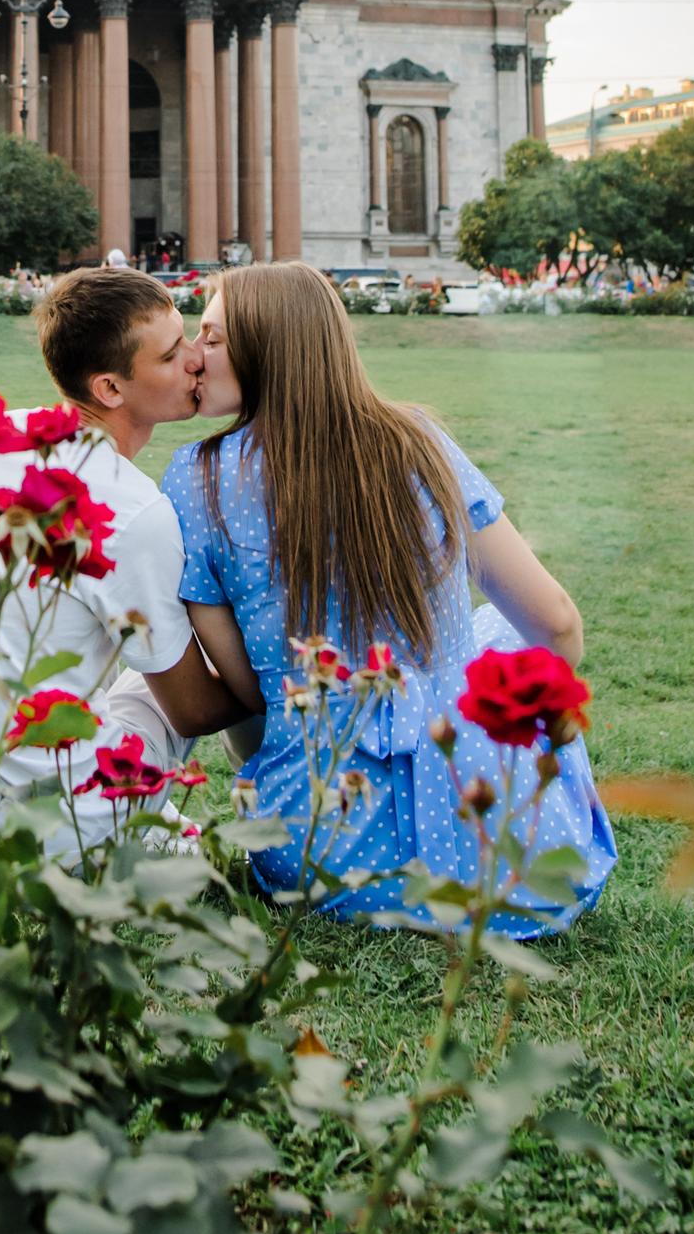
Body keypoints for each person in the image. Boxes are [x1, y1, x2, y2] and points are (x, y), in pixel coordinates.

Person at [162, 262, 614, 935]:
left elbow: (250, 698)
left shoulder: (196, 480)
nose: (195, 354)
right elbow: (557, 623)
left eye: (212, 335)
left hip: (313, 846)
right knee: (510, 642)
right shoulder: (417, 442)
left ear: (267, 348)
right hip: (486, 844)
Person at [0, 266, 249, 841]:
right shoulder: (134, 509)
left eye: (188, 337)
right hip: (50, 826)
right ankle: (226, 825)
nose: (195, 359)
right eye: (169, 355)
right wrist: (279, 673)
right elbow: (193, 711)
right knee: (223, 661)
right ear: (109, 388)